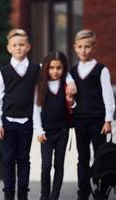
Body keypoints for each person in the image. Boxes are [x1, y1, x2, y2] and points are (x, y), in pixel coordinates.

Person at [0, 29, 76, 200]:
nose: (19, 48)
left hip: (27, 122)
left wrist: (70, 80)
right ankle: (8, 195)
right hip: (7, 122)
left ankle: (23, 195)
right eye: (15, 45)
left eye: (22, 45)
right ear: (9, 48)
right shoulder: (3, 72)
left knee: (24, 160)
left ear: (28, 47)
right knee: (8, 160)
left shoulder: (36, 69)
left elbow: (58, 69)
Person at [70, 29, 115, 200]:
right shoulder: (72, 73)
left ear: (94, 48)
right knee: (82, 158)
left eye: (87, 47)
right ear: (75, 47)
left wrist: (108, 120)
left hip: (98, 121)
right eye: (80, 47)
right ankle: (83, 192)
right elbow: (71, 99)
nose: (83, 50)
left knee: (100, 157)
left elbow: (108, 95)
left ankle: (101, 191)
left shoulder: (101, 70)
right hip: (79, 121)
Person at [33, 51, 75, 200]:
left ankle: (54, 196)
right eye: (51, 68)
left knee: (59, 164)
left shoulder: (66, 85)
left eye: (59, 68)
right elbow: (36, 109)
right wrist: (39, 130)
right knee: (46, 166)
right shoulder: (40, 85)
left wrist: (71, 101)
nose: (55, 71)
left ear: (63, 69)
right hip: (46, 132)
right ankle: (44, 196)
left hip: (62, 131)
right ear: (46, 68)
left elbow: (72, 107)